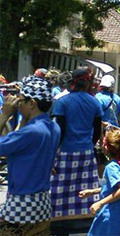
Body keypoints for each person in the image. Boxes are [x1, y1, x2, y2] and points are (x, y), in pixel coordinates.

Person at [0, 75, 60, 235]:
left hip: (21, 206)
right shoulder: (54, 128)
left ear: (32, 103)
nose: (18, 106)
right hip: (43, 205)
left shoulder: (31, 132)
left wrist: (4, 115)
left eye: (21, 102)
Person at [50, 67, 103, 233]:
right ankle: (85, 223)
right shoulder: (95, 102)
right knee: (84, 189)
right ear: (88, 82)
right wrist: (89, 143)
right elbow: (97, 131)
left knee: (60, 191)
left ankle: (60, 224)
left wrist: (53, 153)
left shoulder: (62, 102)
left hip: (65, 151)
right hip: (86, 152)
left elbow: (59, 129)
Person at [80, 129, 120, 236]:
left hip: (111, 216)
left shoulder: (111, 167)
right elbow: (114, 187)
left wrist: (100, 203)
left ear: (105, 147)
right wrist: (93, 191)